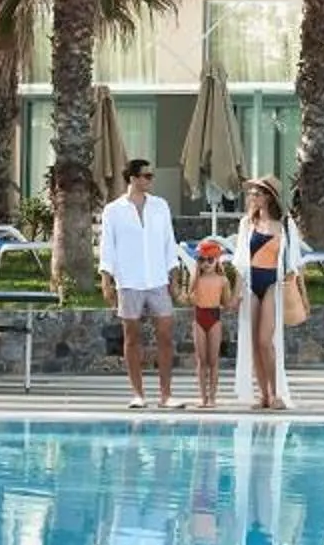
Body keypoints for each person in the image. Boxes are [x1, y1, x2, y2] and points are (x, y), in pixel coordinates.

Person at [97, 156, 181, 409]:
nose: (151, 180)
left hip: (157, 278)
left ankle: (166, 395)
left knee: (165, 335)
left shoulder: (160, 206)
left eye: (151, 176)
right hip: (129, 280)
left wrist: (174, 276)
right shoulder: (113, 211)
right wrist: (106, 279)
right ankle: (138, 393)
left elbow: (169, 241)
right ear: (132, 178)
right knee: (131, 337)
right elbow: (107, 246)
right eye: (147, 176)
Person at [231, 175, 308, 412]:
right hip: (251, 282)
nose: (252, 196)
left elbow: (294, 262)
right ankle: (263, 394)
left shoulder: (285, 225)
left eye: (257, 193)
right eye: (251, 193)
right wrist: (235, 293)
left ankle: (275, 394)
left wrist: (303, 294)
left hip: (274, 283)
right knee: (254, 341)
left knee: (266, 341)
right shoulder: (247, 223)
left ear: (268, 197)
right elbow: (240, 262)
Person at [188, 240, 232, 409]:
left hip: (214, 318)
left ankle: (212, 397)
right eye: (202, 260)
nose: (206, 264)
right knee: (201, 360)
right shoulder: (196, 278)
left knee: (213, 360)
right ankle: (202, 397)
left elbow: (227, 303)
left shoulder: (223, 280)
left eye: (210, 260)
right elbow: (188, 297)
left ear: (217, 260)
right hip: (199, 317)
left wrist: (236, 296)